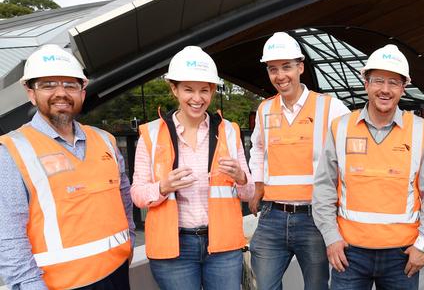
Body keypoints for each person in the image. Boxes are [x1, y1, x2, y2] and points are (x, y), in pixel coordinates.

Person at [0, 44, 135, 289]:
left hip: (116, 273)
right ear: (31, 92)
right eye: (48, 84)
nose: (60, 93)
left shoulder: (105, 140)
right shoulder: (11, 151)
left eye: (70, 85)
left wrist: (130, 242)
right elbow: (8, 236)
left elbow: (124, 199)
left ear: (82, 92)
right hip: (59, 284)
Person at [312, 44, 424, 289]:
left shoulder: (420, 131)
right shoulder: (340, 127)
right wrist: (331, 238)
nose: (385, 90)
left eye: (394, 83)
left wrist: (423, 245)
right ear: (366, 83)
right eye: (378, 81)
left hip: (402, 256)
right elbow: (323, 188)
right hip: (349, 254)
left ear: (404, 88)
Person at [130, 46, 254, 290]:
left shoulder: (229, 131)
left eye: (204, 90)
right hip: (174, 248)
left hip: (223, 247)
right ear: (174, 89)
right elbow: (137, 194)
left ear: (212, 91)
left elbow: (249, 193)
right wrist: (162, 187)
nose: (197, 99)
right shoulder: (151, 134)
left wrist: (240, 177)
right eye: (188, 89)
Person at [248, 32, 350, 290]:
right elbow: (258, 149)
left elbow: (350, 154)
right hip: (272, 216)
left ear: (300, 67)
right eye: (273, 69)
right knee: (265, 286)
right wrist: (257, 184)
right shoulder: (265, 109)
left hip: (314, 217)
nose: (280, 76)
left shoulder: (331, 108)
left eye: (286, 67)